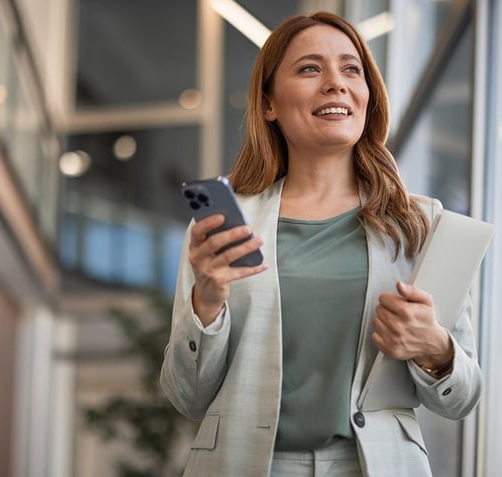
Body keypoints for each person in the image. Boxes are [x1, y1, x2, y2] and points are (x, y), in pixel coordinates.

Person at [160, 11, 482, 476]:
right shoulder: (221, 231)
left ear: (368, 98)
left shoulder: (420, 225)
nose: (336, 83)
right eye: (310, 68)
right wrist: (206, 300)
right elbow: (186, 397)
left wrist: (435, 348)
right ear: (268, 103)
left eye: (351, 69)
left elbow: (463, 398)